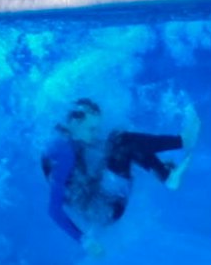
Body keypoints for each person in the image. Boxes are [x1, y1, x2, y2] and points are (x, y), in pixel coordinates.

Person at [43, 97, 198, 255]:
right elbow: (53, 210)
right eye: (91, 129)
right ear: (75, 123)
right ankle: (183, 141)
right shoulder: (64, 155)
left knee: (118, 139)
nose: (94, 133)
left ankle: (166, 175)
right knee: (122, 141)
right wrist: (85, 241)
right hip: (106, 207)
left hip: (97, 195)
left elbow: (106, 149)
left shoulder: (68, 135)